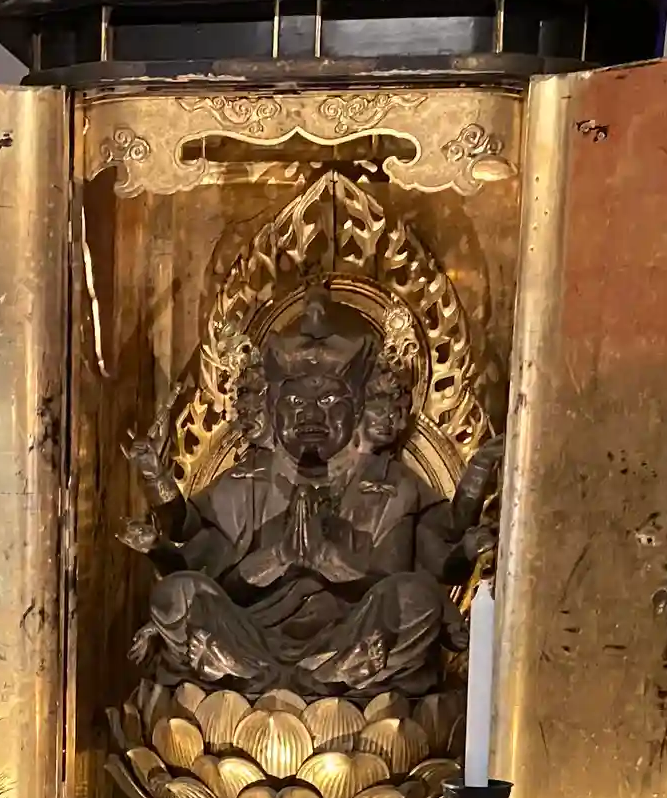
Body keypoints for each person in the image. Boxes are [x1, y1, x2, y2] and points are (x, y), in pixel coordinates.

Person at [125, 290, 493, 698]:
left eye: (331, 400)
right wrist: (277, 557)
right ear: (269, 407)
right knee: (174, 596)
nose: (312, 414)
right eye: (296, 400)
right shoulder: (247, 481)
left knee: (417, 600)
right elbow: (197, 561)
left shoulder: (392, 485)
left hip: (352, 640)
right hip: (250, 639)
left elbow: (437, 562)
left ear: (362, 408)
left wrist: (334, 565)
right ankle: (277, 675)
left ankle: (311, 676)